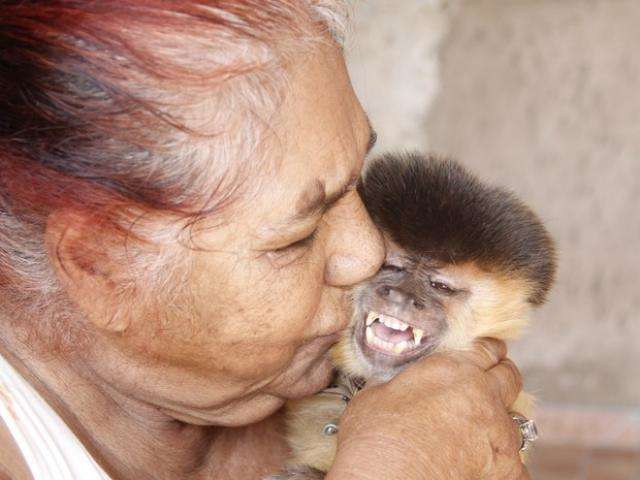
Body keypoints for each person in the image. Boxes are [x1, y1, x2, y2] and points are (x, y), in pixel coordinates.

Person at [0, 2, 529, 479]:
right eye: (297, 236)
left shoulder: (327, 380)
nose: (369, 253)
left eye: (354, 185)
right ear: (99, 265)